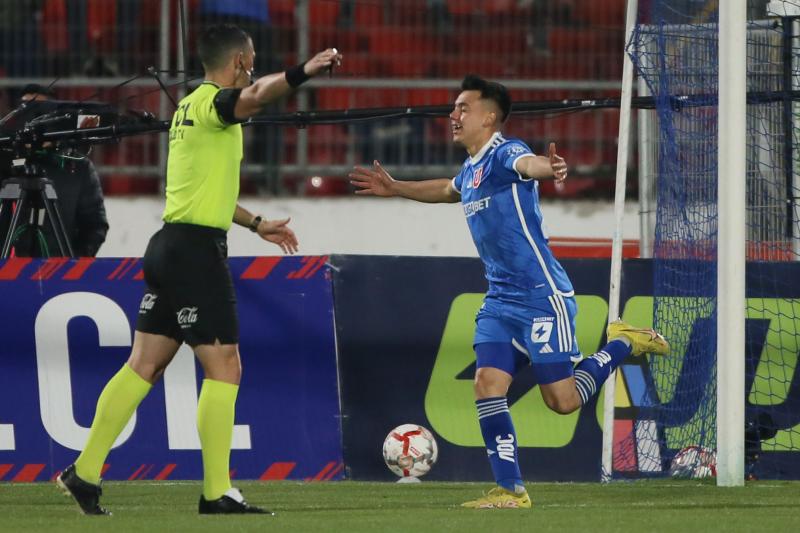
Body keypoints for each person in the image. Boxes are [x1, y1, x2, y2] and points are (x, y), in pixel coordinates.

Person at [56, 24, 341, 515]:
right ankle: (216, 491)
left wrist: (256, 224)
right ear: (238, 63)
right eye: (250, 60)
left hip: (169, 245)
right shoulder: (214, 103)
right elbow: (253, 97)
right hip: (194, 253)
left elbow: (204, 191)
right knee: (225, 366)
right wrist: (303, 72)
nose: (252, 67)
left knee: (144, 364)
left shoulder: (187, 108)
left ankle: (84, 471)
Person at [350, 75, 669, 509]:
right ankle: (511, 490)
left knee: (562, 401)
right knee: (487, 383)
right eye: (453, 107)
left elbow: (528, 165)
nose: (453, 115)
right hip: (500, 301)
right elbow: (448, 189)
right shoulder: (472, 169)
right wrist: (396, 188)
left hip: (542, 297)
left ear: (490, 116)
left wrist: (548, 167)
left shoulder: (504, 152)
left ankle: (620, 343)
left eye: (463, 107)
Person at [12, 84, 109, 257]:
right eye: (25, 111)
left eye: (39, 112)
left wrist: (71, 266)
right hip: (8, 274)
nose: (31, 119)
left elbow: (94, 226)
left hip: (59, 275)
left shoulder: (78, 167)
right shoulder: (6, 164)